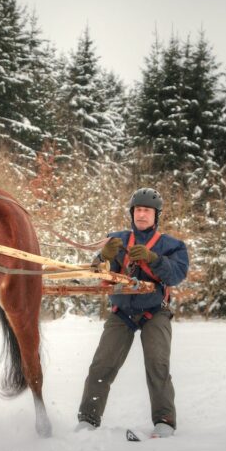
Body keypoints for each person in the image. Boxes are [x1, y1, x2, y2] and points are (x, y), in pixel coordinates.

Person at [76, 187, 190, 437]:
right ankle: (88, 419)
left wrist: (153, 258)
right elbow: (99, 274)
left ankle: (164, 420)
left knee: (157, 364)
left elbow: (177, 275)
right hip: (122, 312)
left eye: (147, 211)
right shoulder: (117, 240)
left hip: (155, 311)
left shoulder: (171, 245)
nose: (142, 214)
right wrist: (102, 258)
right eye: (138, 210)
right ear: (132, 213)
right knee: (102, 364)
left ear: (155, 215)